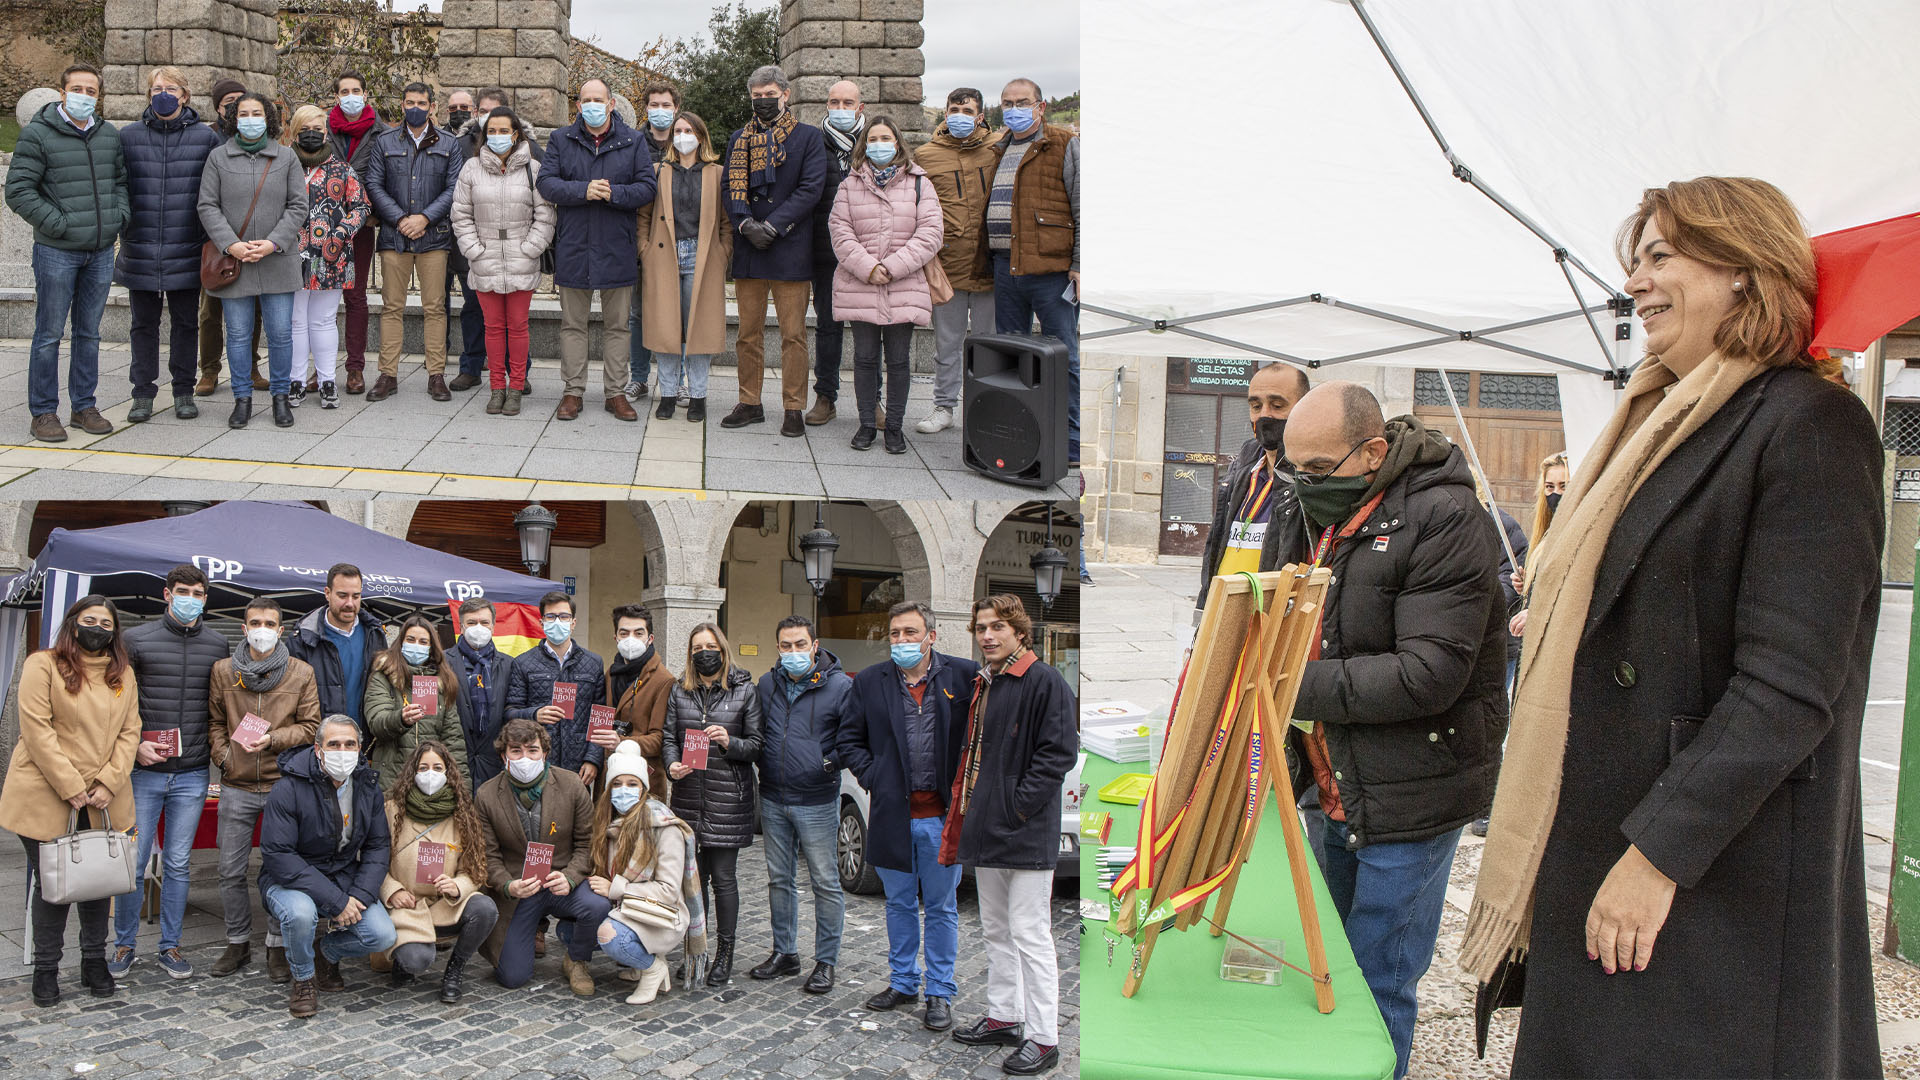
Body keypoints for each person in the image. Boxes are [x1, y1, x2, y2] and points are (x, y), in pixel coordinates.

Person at [1462, 177, 1886, 1078]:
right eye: (1635, 261)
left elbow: (1789, 684)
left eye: (1660, 256)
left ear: (1744, 270)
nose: (1635, 282)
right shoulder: (1659, 421)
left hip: (1709, 878)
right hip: (1601, 833)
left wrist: (1656, 856)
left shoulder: (1810, 424)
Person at [1275, 382, 1505, 1079]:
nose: (1303, 482)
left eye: (1319, 469)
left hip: (1414, 791)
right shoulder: (1316, 508)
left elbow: (1429, 673)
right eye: (1294, 468)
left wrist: (1281, 682)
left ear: (1374, 451)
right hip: (1333, 781)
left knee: (1378, 979)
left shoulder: (1446, 517)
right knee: (1330, 968)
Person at [941, 596, 1075, 1076]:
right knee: (996, 929)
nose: (987, 635)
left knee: (1030, 934)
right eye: (981, 628)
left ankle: (1044, 1038)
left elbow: (1057, 755)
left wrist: (1016, 807)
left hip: (1023, 830)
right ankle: (1004, 1016)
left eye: (997, 626)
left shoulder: (1044, 680)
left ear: (1020, 631)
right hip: (988, 827)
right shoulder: (987, 681)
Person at [839, 600, 980, 1032]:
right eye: (895, 633)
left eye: (910, 632)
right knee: (898, 903)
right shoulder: (870, 681)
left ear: (931, 636)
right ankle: (903, 982)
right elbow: (849, 739)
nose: (901, 640)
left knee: (941, 907)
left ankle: (939, 991)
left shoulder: (964, 675)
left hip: (941, 819)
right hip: (892, 815)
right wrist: (874, 777)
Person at [0, 596, 140, 1008]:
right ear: (73, 623)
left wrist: (110, 781)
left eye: (106, 623)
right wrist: (70, 785)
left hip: (103, 796)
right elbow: (36, 730)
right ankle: (46, 968)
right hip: (46, 792)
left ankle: (94, 960)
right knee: (53, 885)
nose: (97, 628)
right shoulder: (42, 665)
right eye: (89, 620)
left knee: (99, 883)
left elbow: (130, 731)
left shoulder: (122, 674)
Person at [110, 565, 229, 980]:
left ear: (205, 599)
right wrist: (134, 746)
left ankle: (171, 946)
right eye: (182, 591)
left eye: (197, 593)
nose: (189, 599)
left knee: (178, 863)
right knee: (133, 861)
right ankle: (124, 944)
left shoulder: (217, 643)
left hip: (193, 772)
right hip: (143, 771)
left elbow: (219, 704)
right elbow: (117, 704)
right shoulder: (136, 639)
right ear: (166, 594)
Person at [5, 64, 128, 443]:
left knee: (89, 333)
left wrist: (118, 217)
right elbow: (18, 190)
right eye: (77, 89)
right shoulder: (38, 134)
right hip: (56, 251)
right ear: (62, 92)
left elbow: (119, 181)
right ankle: (43, 413)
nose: (84, 96)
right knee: (48, 334)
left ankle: (83, 406)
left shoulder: (107, 134)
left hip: (100, 251)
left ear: (98, 97)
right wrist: (58, 224)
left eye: (91, 91)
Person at [206, 596, 322, 983]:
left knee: (279, 868)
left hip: (281, 783)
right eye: (255, 623)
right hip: (236, 783)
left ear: (281, 630)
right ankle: (237, 941)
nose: (262, 630)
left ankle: (276, 943)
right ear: (243, 628)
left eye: (270, 624)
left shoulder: (300, 672)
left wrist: (273, 738)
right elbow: (215, 722)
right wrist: (224, 757)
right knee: (229, 869)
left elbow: (311, 726)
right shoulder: (224, 671)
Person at [259, 715, 396, 1018]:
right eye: (334, 744)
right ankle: (303, 978)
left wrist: (359, 895)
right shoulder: (288, 788)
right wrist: (336, 902)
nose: (342, 751)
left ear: (360, 749)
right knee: (300, 913)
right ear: (318, 749)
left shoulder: (367, 787)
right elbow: (279, 854)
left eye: (350, 744)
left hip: (342, 875)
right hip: (288, 879)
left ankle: (326, 952)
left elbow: (377, 846)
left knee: (381, 934)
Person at [536, 78, 656, 423]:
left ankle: (615, 392)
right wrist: (583, 190)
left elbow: (647, 188)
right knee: (573, 325)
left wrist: (614, 193)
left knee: (618, 326)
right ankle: (573, 391)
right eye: (585, 100)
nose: (591, 105)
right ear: (578, 106)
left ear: (611, 104)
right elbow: (546, 183)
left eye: (597, 99)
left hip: (617, 245)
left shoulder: (633, 141)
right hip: (574, 245)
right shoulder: (561, 139)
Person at [978, 78, 1081, 463]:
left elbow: (1083, 207)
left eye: (1022, 102)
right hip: (1006, 267)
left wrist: (1080, 265)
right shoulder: (1000, 147)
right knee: (1012, 355)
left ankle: (1071, 440)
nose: (1013, 109)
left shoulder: (1064, 144)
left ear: (1040, 107)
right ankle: (1020, 432)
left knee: (1063, 355)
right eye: (1007, 103)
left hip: (1051, 270)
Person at [828, 114, 944, 455]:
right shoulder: (849, 185)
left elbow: (930, 233)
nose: (879, 145)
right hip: (860, 284)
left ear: (897, 143)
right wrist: (869, 268)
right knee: (864, 359)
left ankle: (894, 427)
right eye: (873, 139)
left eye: (885, 138)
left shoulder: (920, 184)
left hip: (903, 284)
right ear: (864, 146)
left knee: (898, 360)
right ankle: (867, 423)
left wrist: (891, 267)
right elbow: (840, 232)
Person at [721, 65, 827, 435]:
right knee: (747, 334)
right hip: (750, 248)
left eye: (770, 94)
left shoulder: (808, 138)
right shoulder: (739, 138)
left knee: (793, 335)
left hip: (789, 247)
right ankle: (749, 402)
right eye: (757, 95)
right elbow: (729, 187)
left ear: (785, 95)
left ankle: (793, 407)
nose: (763, 101)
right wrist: (744, 224)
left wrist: (773, 225)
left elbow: (811, 189)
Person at [748, 615, 852, 994]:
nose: (793, 651)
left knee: (825, 881)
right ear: (778, 647)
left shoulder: (840, 687)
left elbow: (852, 737)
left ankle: (826, 961)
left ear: (815, 645)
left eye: (800, 645)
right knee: (780, 879)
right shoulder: (767, 684)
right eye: (786, 646)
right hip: (774, 795)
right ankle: (785, 952)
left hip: (817, 798)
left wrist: (827, 763)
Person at [116, 66, 221, 424]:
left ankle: (183, 391)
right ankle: (142, 393)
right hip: (141, 245)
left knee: (185, 324)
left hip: (186, 246)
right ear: (148, 94)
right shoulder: (128, 137)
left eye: (171, 88)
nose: (164, 94)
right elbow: (119, 186)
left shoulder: (205, 139)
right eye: (157, 88)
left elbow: (214, 191)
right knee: (142, 325)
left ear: (185, 95)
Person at [474, 718, 609, 995]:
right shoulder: (486, 795)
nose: (525, 758)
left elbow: (587, 844)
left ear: (544, 753)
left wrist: (570, 877)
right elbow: (488, 855)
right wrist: (507, 885)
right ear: (503, 756)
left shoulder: (572, 785)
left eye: (532, 750)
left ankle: (577, 959)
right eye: (516, 751)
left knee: (597, 905)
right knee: (512, 976)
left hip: (561, 880)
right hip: (520, 888)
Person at [197, 91, 307, 429]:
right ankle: (241, 398)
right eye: (243, 114)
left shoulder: (286, 157)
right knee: (239, 335)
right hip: (236, 261)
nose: (250, 119)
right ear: (233, 119)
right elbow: (207, 205)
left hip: (277, 259)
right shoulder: (218, 157)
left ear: (268, 118)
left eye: (256, 113)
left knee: (280, 334)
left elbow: (298, 205)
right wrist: (231, 245)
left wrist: (273, 242)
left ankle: (280, 397)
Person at [662, 623, 762, 986]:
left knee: (723, 879)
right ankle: (696, 950)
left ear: (722, 649)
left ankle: (725, 953)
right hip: (688, 796)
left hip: (727, 799)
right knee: (693, 881)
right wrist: (671, 765)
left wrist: (729, 742)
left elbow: (757, 744)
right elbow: (668, 737)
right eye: (696, 648)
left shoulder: (745, 690)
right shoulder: (679, 690)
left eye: (710, 646)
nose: (703, 653)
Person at [362, 81, 463, 403]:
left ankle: (436, 374)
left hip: (434, 237)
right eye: (409, 103)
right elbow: (374, 184)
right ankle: (387, 374)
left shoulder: (449, 143)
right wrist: (401, 218)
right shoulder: (385, 141)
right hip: (395, 236)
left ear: (432, 106)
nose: (415, 108)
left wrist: (425, 218)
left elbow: (454, 187)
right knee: (392, 307)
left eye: (421, 103)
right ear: (402, 105)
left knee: (435, 307)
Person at [451, 105, 554, 416]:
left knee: (518, 326)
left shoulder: (532, 168)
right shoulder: (471, 169)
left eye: (503, 131)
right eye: (492, 131)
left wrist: (531, 247)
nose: (497, 136)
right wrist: (474, 250)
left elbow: (545, 214)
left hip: (522, 257)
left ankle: (516, 386)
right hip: (485, 257)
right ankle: (497, 388)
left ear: (515, 134)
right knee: (493, 327)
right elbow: (461, 214)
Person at [377, 740, 498, 1002]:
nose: (430, 774)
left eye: (437, 768)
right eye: (423, 768)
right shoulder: (391, 809)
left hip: (444, 903)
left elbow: (474, 868)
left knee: (485, 909)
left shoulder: (462, 812)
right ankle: (403, 959)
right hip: (407, 905)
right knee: (417, 960)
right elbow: (372, 861)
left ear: (448, 772)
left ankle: (456, 968)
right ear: (412, 772)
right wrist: (392, 891)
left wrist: (457, 886)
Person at [1196, 362, 1314, 624]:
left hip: (1269, 626)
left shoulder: (1312, 478)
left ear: (1304, 409)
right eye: (1256, 405)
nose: (1264, 415)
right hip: (1223, 620)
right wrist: (1202, 615)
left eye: (1277, 405)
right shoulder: (1243, 467)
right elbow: (1215, 548)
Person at [911, 88, 997, 435]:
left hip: (990, 265)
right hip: (947, 265)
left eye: (968, 110)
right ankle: (943, 406)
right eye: (954, 110)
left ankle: (986, 409)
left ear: (980, 116)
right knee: (946, 344)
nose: (960, 116)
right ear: (945, 113)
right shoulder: (926, 155)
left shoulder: (997, 148)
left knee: (990, 345)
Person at [588, 739, 697, 1006]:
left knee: (609, 935)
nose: (623, 790)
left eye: (632, 784)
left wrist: (616, 888)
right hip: (632, 906)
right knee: (572, 930)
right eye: (616, 784)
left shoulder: (664, 827)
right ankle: (640, 962)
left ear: (643, 788)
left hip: (661, 913)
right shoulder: (611, 823)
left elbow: (668, 890)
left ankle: (653, 969)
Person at [639, 110, 731, 423]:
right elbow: (643, 216)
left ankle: (698, 396)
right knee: (666, 329)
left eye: (689, 131)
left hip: (703, 257)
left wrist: (722, 252)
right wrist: (645, 250)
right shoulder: (658, 171)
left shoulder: (717, 173)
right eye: (678, 131)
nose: (682, 136)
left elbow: (726, 221)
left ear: (701, 137)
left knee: (699, 330)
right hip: (664, 255)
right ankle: (667, 394)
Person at [286, 103, 370, 411]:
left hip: (331, 255)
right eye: (304, 130)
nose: (311, 134)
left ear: (326, 134)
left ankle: (327, 382)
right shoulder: (283, 166)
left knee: (323, 320)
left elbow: (361, 206)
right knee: (296, 321)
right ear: (294, 133)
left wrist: (342, 232)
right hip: (289, 254)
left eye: (317, 129)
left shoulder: (341, 169)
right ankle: (296, 381)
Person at [802, 78, 864, 428]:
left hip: (868, 255)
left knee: (869, 331)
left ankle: (872, 400)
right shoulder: (813, 143)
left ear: (860, 107)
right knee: (827, 327)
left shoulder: (875, 142)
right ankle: (825, 396)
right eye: (834, 102)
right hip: (826, 253)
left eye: (847, 103)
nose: (840, 109)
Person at [621, 79, 683, 403]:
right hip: (640, 241)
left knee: (678, 314)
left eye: (666, 105)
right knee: (638, 314)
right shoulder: (632, 143)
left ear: (676, 108)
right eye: (654, 105)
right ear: (646, 108)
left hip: (678, 241)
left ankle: (679, 381)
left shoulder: (686, 141)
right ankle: (639, 378)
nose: (660, 111)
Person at [505, 590, 609, 782]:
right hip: (538, 762)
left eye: (564, 616)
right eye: (551, 617)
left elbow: (600, 716)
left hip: (578, 765)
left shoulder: (594, 662)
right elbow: (510, 712)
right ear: (541, 622)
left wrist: (593, 759)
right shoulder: (523, 663)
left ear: (573, 622)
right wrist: (535, 714)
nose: (557, 621)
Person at [328, 70, 389, 395]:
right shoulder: (323, 129)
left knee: (355, 296)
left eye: (356, 90)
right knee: (321, 299)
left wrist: (374, 214)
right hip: (323, 227)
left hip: (361, 227)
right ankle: (322, 370)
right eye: (344, 91)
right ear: (336, 97)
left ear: (366, 95)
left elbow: (387, 177)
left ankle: (355, 368)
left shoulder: (383, 134)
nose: (350, 96)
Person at [197, 78, 256, 398]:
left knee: (254, 307)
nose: (235, 106)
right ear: (218, 107)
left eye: (240, 99)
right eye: (229, 101)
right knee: (211, 309)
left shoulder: (259, 137)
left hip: (254, 236)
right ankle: (209, 369)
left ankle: (251, 366)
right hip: (217, 237)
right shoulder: (207, 138)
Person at [365, 614, 468, 787]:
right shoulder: (383, 676)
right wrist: (401, 719)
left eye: (423, 642)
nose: (416, 645)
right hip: (392, 777)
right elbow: (376, 721)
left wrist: (462, 788)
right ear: (401, 642)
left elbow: (453, 739)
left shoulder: (442, 681)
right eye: (411, 640)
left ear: (431, 647)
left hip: (431, 779)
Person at [288, 563, 385, 736]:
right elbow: (291, 699)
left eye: (356, 596)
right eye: (342, 595)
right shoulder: (302, 639)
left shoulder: (375, 634)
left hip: (365, 742)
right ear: (327, 593)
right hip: (320, 742)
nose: (350, 603)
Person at [440, 87, 487, 390]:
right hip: (441, 231)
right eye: (453, 107)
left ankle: (481, 358)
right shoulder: (443, 140)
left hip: (471, 236)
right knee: (438, 300)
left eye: (464, 107)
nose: (459, 112)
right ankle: (439, 353)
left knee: (474, 300)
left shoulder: (479, 140)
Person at [447, 597, 514, 791]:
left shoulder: (509, 664)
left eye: (484, 622)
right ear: (461, 627)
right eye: (471, 622)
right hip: (454, 761)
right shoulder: (442, 661)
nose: (478, 628)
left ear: (493, 627)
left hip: (495, 764)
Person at [607, 604, 675, 791]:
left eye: (638, 633)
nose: (631, 639)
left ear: (650, 638)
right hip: (611, 775)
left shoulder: (663, 680)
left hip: (644, 779)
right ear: (616, 638)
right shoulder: (611, 673)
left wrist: (621, 742)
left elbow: (659, 740)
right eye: (624, 633)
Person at [1507, 450, 1570, 637]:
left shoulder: (1579, 533)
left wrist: (1537, 614)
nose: (1556, 493)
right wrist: (1529, 583)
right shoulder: (1546, 534)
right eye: (1549, 487)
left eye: (1564, 486)